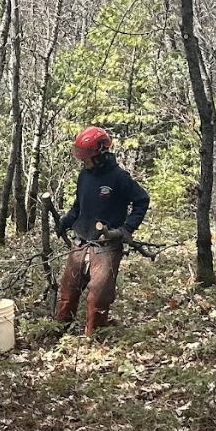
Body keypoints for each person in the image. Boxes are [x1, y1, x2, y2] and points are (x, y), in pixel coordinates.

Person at [54, 126, 150, 335]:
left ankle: (93, 336)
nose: (84, 162)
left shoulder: (119, 178)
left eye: (87, 157)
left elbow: (142, 200)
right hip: (81, 241)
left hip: (106, 246)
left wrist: (127, 228)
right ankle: (59, 329)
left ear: (101, 154)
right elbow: (78, 207)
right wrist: (66, 222)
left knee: (98, 295)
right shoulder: (84, 176)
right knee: (69, 289)